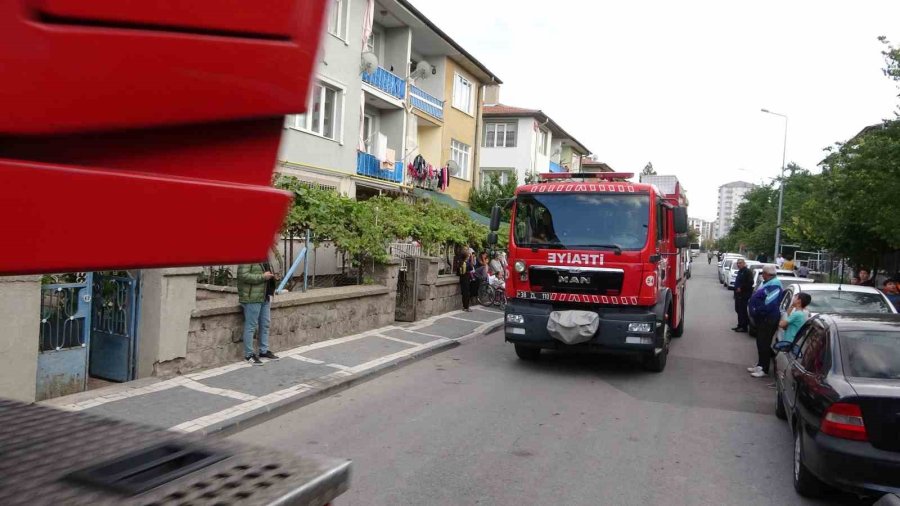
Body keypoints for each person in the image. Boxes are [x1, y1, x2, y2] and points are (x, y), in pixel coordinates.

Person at [237, 262, 280, 365]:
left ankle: (263, 351)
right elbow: (243, 275)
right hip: (252, 298)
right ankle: (249, 355)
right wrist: (262, 277)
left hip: (264, 296)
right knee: (251, 326)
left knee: (265, 324)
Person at [747, 265, 783, 378]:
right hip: (764, 318)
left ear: (767, 273)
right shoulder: (769, 282)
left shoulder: (775, 284)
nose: (762, 275)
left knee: (764, 343)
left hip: (768, 318)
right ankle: (760, 364)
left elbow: (770, 303)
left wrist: (757, 310)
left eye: (763, 273)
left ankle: (764, 369)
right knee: (760, 342)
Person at [732, 259, 752, 333]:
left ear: (744, 263)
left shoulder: (747, 272)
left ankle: (744, 327)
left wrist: (741, 288)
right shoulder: (740, 271)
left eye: (740, 263)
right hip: (738, 294)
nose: (738, 264)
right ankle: (740, 325)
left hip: (744, 295)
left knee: (742, 311)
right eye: (737, 263)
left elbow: (750, 283)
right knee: (738, 310)